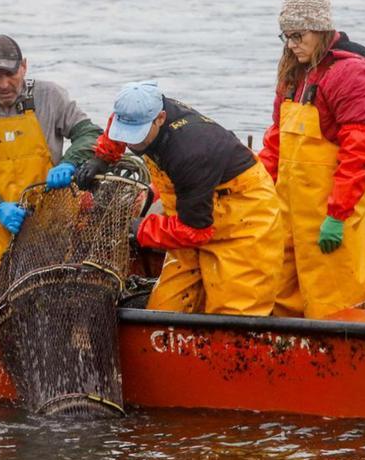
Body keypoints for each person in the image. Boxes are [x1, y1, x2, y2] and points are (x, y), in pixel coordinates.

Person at [76, 81, 284, 315]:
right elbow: (118, 124)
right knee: (165, 309)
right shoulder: (135, 111)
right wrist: (103, 157)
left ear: (160, 118)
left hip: (244, 217)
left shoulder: (190, 152)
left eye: (139, 135)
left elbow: (196, 231)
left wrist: (141, 229)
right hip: (189, 211)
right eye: (127, 134)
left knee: (233, 314)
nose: (133, 142)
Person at [0, 34, 103, 298]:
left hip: (49, 231)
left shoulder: (50, 96)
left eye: (11, 74)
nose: (4, 84)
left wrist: (70, 163)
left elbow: (90, 134)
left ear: (24, 66)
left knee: (54, 299)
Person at [258, 0, 365, 319]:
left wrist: (337, 215)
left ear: (322, 30)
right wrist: (259, 193)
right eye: (287, 36)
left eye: (300, 36)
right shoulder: (293, 73)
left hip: (331, 214)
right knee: (279, 295)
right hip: (288, 210)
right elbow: (275, 141)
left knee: (335, 306)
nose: (293, 44)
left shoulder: (349, 74)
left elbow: (360, 151)